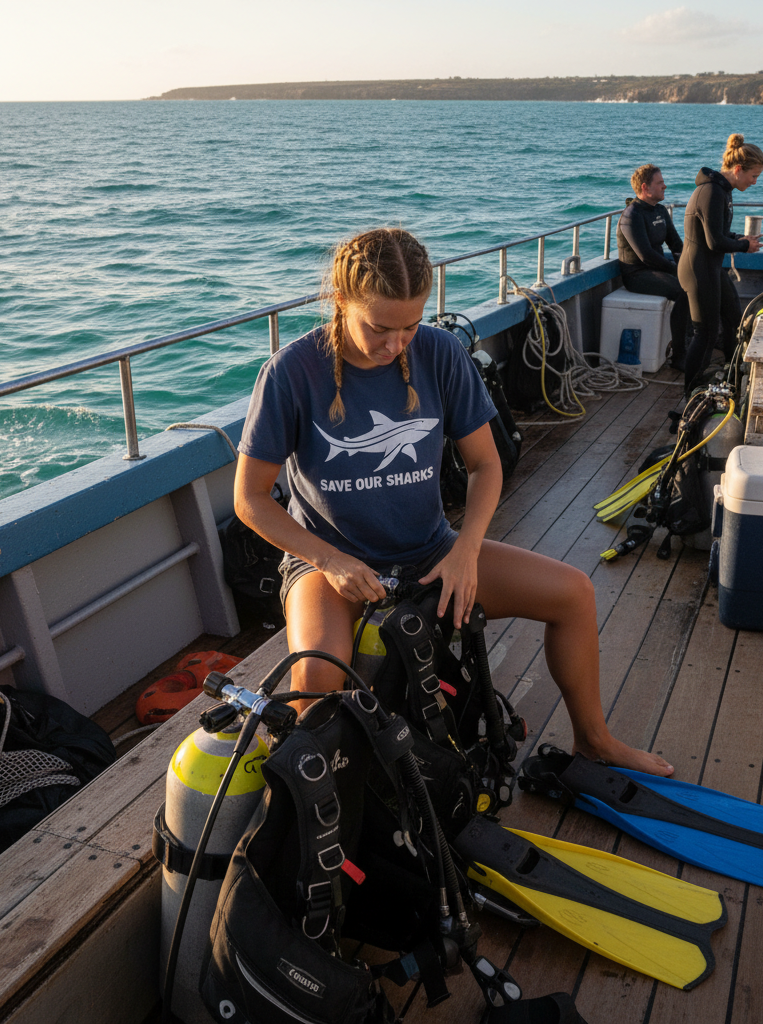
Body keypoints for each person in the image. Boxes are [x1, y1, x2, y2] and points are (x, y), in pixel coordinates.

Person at [234, 227, 673, 776]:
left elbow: (487, 465)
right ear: (341, 302)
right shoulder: (291, 372)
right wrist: (330, 560)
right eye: (379, 328)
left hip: (431, 552)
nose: (396, 345)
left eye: (410, 326)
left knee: (575, 595)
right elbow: (250, 499)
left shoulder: (439, 352)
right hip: (330, 564)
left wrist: (465, 551)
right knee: (318, 683)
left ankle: (595, 740)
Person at [678, 133, 763, 395]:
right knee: (704, 334)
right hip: (698, 269)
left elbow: (717, 233)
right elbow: (714, 241)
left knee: (734, 319)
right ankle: (691, 395)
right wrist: (743, 246)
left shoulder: (723, 190)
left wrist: (739, 238)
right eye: (753, 176)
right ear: (738, 169)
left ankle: (730, 377)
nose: (755, 182)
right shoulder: (712, 192)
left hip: (710, 267)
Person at [616, 164, 690, 369]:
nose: (665, 186)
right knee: (683, 292)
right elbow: (646, 255)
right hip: (637, 274)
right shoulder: (632, 216)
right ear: (645, 188)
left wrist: (688, 266)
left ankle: (694, 340)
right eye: (660, 183)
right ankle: (679, 355)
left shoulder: (660, 210)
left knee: (696, 283)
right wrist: (676, 271)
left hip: (657, 269)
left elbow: (676, 244)